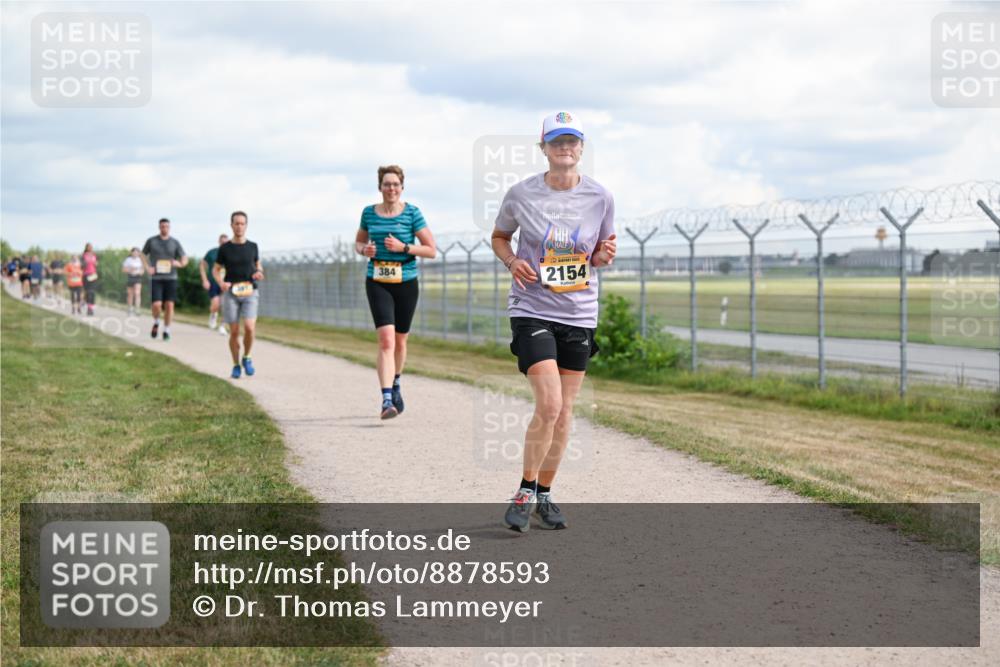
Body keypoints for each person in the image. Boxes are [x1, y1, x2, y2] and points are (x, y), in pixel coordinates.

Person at [490, 112, 616, 532]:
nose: (565, 148)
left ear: (582, 147)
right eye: (556, 141)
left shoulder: (601, 197)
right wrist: (512, 262)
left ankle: (545, 494)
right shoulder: (521, 194)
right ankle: (525, 491)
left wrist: (602, 257)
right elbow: (499, 236)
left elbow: (599, 252)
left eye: (572, 141)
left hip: (579, 313)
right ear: (543, 148)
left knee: (564, 414)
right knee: (550, 404)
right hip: (532, 308)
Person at [355, 165, 437, 419]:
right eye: (386, 184)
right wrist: (363, 250)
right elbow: (359, 242)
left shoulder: (412, 213)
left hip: (406, 282)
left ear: (402, 187)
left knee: (400, 341)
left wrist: (404, 247)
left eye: (395, 184)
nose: (391, 188)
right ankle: (386, 398)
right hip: (377, 280)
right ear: (379, 187)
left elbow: (431, 249)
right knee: (386, 340)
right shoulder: (369, 213)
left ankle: (396, 381)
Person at [213, 212, 263, 379]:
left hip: (250, 291)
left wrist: (259, 273)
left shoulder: (253, 246)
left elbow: (258, 265)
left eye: (242, 224)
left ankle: (247, 357)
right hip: (231, 294)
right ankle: (235, 365)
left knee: (249, 327)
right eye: (236, 223)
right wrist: (221, 283)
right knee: (234, 332)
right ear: (231, 225)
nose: (239, 226)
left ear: (246, 225)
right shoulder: (225, 248)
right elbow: (215, 270)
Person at [141, 218, 188, 341]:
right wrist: (147, 268)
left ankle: (166, 330)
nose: (164, 228)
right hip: (156, 278)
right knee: (156, 304)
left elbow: (184, 258)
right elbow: (142, 255)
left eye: (166, 226)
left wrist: (179, 264)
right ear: (159, 227)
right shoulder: (152, 241)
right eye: (162, 226)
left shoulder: (175, 242)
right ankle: (156, 322)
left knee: (169, 305)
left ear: (169, 227)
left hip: (171, 278)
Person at [200, 233, 230, 335]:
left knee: (226, 304)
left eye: (226, 243)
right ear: (219, 242)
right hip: (213, 282)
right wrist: (205, 280)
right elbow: (202, 265)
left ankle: (222, 326)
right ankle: (213, 314)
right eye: (222, 242)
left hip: (226, 283)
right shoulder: (212, 253)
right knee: (216, 304)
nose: (224, 245)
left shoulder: (232, 253)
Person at [121, 247, 145, 316]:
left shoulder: (140, 260)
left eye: (137, 252)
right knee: (130, 294)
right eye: (134, 252)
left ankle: (137, 309)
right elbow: (123, 270)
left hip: (138, 277)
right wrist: (130, 269)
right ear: (131, 253)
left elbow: (142, 270)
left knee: (137, 293)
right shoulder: (128, 260)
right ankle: (130, 308)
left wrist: (141, 272)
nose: (135, 253)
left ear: (138, 253)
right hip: (130, 277)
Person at [82, 243, 99, 316]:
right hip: (86, 274)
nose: (90, 248)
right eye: (89, 247)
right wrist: (84, 264)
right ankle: (85, 302)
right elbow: (81, 265)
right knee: (88, 291)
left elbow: (96, 264)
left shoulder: (94, 255)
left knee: (92, 292)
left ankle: (90, 308)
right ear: (86, 248)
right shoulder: (83, 255)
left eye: (91, 247)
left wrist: (96, 263)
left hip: (93, 274)